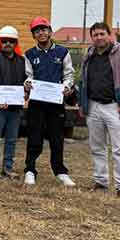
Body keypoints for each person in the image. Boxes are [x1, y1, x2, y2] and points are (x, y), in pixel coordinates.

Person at [80, 22, 120, 201]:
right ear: (92, 37)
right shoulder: (89, 56)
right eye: (95, 35)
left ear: (109, 34)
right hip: (94, 106)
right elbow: (83, 81)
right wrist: (84, 105)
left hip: (115, 106)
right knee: (97, 147)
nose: (98, 38)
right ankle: (101, 182)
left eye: (101, 34)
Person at [23, 16, 76, 187]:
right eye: (37, 31)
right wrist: (27, 84)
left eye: (44, 29)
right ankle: (30, 171)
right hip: (37, 104)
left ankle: (60, 171)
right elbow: (28, 76)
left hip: (56, 102)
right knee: (35, 137)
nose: (41, 33)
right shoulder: (30, 54)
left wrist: (67, 86)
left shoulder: (62, 52)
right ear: (34, 35)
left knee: (56, 138)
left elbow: (69, 74)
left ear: (50, 32)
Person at [0, 26, 26, 180]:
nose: (7, 43)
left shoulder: (22, 61)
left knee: (11, 139)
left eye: (11, 41)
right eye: (4, 41)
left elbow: (25, 82)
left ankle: (8, 167)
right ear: (0, 42)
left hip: (15, 108)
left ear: (16, 43)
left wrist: (26, 92)